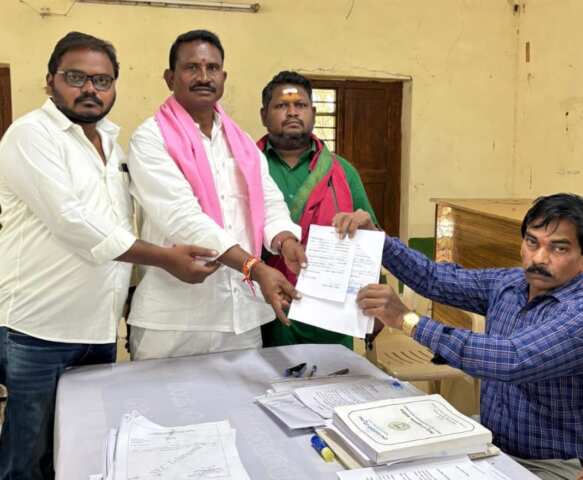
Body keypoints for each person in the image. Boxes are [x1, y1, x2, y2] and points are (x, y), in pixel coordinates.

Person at [0, 32, 220, 480]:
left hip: (99, 329)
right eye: (75, 77)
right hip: (37, 331)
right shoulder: (31, 135)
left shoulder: (113, 146)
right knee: (28, 456)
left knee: (78, 448)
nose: (89, 89)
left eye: (102, 80)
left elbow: (124, 225)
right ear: (50, 81)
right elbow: (74, 223)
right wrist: (165, 258)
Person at [351, 193, 583, 480]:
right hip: (489, 442)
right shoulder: (510, 284)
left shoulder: (577, 312)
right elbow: (435, 279)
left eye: (559, 248)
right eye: (532, 242)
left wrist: (407, 320)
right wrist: (379, 240)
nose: (539, 258)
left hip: (551, 464)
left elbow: (511, 359)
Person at [127, 30, 306, 360]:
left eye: (212, 68)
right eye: (191, 67)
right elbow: (183, 218)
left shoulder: (242, 143)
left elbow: (269, 202)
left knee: (242, 395)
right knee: (164, 396)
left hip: (242, 318)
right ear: (170, 78)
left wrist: (285, 241)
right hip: (175, 320)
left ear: (223, 77)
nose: (203, 77)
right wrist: (253, 267)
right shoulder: (151, 138)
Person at [258, 71, 378, 349]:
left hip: (330, 317)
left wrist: (375, 305)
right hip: (263, 311)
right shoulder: (244, 168)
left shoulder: (342, 172)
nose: (292, 112)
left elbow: (370, 238)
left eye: (300, 105)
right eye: (281, 105)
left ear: (313, 113)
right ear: (264, 115)